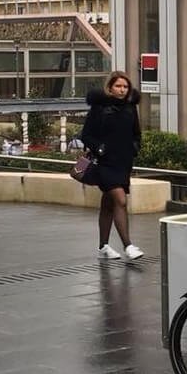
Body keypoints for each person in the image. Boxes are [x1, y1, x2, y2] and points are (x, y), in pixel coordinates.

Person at [80, 71, 145, 261]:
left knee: (108, 205)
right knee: (121, 200)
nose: (122, 90)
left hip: (123, 163)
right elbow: (86, 135)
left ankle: (103, 247)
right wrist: (100, 149)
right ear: (110, 87)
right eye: (118, 86)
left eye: (125, 86)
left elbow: (136, 134)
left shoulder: (131, 108)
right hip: (104, 163)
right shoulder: (99, 107)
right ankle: (128, 245)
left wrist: (134, 148)